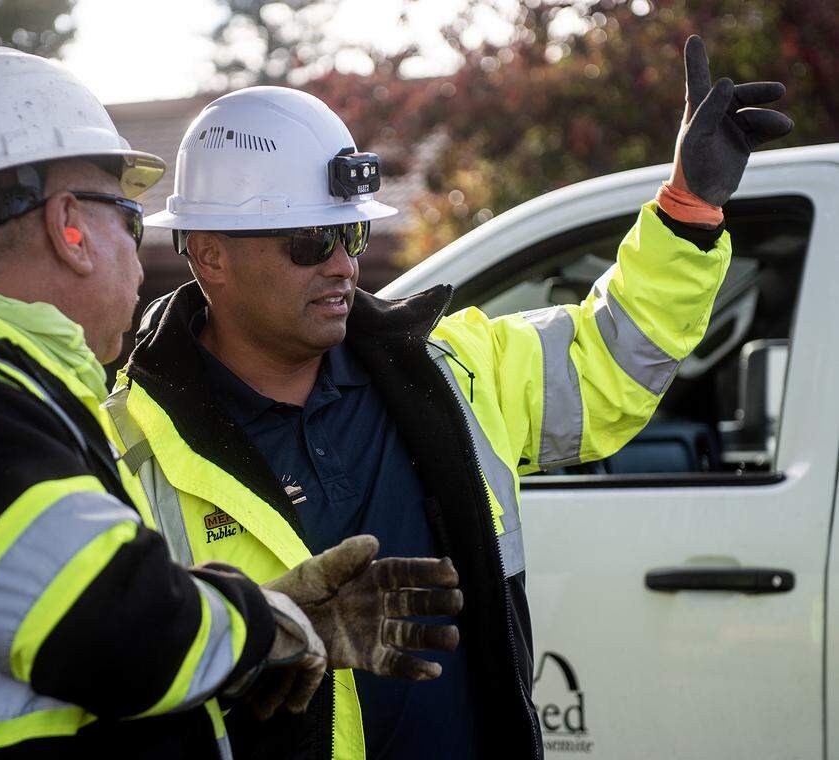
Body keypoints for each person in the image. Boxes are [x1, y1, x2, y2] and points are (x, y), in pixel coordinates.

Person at [0, 47, 463, 759]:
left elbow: (74, 616)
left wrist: (256, 622)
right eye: (128, 218)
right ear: (69, 228)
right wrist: (270, 625)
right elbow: (119, 629)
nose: (139, 253)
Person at [106, 35, 792, 759]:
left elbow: (610, 359)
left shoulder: (449, 373)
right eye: (311, 241)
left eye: (353, 231)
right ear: (210, 252)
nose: (344, 264)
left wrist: (687, 211)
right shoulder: (126, 457)